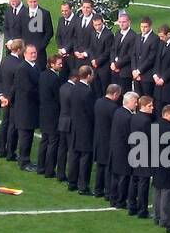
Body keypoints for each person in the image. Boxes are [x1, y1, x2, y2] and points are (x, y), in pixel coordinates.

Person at [36, 52, 67, 176]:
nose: (61, 66)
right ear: (52, 64)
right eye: (59, 64)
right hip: (53, 114)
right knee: (53, 142)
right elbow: (57, 98)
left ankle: (40, 167)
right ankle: (49, 170)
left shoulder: (42, 75)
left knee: (44, 140)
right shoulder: (55, 79)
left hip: (43, 112)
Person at [65, 66, 95, 194]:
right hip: (85, 128)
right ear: (88, 76)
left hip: (74, 126)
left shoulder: (74, 88)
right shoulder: (87, 92)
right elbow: (90, 111)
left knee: (74, 155)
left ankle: (72, 182)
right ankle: (83, 186)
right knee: (85, 157)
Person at [12, 44, 41, 171]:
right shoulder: (23, 68)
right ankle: (23, 162)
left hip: (31, 107)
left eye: (35, 52)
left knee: (29, 135)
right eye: (31, 53)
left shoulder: (36, 66)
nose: (34, 55)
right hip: (25, 108)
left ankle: (26, 159)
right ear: (25, 54)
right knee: (25, 136)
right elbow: (28, 89)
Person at [91, 83, 122, 197]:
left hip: (98, 138)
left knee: (100, 166)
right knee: (108, 168)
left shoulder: (98, 102)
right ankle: (108, 192)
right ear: (115, 94)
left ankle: (98, 190)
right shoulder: (113, 108)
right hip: (108, 140)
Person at [128, 94, 155, 217]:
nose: (152, 108)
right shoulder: (146, 120)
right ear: (143, 106)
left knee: (134, 180)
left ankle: (132, 207)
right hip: (144, 154)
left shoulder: (134, 117)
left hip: (134, 151)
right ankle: (142, 210)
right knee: (143, 182)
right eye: (150, 105)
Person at [152, 103, 170, 228]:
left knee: (157, 189)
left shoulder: (155, 125)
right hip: (167, 162)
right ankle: (165, 219)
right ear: (167, 114)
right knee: (166, 191)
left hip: (156, 161)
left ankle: (157, 216)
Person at [109, 91, 137, 207]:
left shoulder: (118, 111)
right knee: (123, 177)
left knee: (116, 176)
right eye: (135, 102)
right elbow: (129, 136)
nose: (136, 104)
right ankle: (120, 201)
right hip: (124, 150)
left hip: (115, 148)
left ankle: (113, 199)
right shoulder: (128, 117)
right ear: (129, 102)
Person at [0, 39, 24, 159]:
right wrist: (8, 98)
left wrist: (1, 95)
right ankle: (10, 152)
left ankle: (1, 149)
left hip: (5, 97)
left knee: (4, 124)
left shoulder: (5, 60)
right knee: (12, 126)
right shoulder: (19, 65)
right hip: (13, 99)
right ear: (18, 50)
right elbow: (16, 84)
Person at [19, 0, 52, 68]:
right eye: (31, 2)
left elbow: (49, 32)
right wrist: (23, 46)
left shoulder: (45, 14)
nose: (33, 4)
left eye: (35, 1)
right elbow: (19, 30)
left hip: (39, 52)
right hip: (25, 50)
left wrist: (41, 46)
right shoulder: (22, 13)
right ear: (27, 2)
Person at [153, 24, 170, 109]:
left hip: (168, 83)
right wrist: (155, 74)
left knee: (167, 107)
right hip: (158, 81)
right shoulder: (161, 43)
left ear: (168, 34)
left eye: (162, 36)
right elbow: (157, 60)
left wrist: (163, 79)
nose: (160, 38)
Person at [132, 16, 159, 97]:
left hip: (147, 76)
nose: (143, 29)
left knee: (147, 99)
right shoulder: (137, 37)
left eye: (145, 27)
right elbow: (133, 54)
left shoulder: (155, 39)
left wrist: (139, 71)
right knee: (138, 98)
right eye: (141, 27)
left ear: (150, 26)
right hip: (136, 75)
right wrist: (134, 70)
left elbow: (151, 58)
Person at [110, 11, 136, 91]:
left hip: (125, 71)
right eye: (120, 22)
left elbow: (129, 55)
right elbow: (113, 49)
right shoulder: (117, 33)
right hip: (115, 70)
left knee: (124, 93)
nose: (121, 24)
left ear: (129, 22)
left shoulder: (133, 36)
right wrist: (112, 62)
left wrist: (118, 65)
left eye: (124, 22)